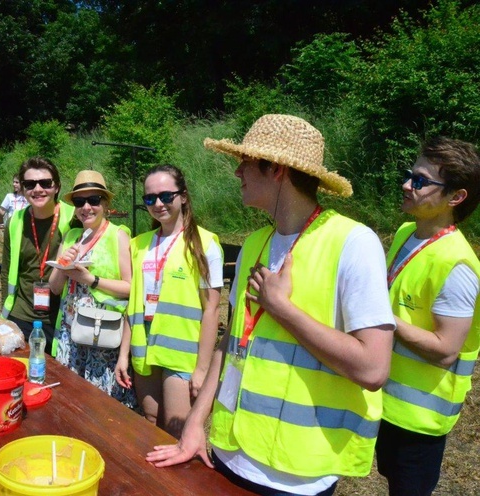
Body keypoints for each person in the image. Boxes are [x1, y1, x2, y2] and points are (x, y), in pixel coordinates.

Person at [146, 114, 396, 496]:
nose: (237, 172)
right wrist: (196, 423)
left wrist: (284, 309)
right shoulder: (254, 244)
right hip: (229, 454)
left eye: (246, 162)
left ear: (276, 169)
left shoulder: (354, 243)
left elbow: (374, 368)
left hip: (296, 476)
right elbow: (232, 344)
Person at [376, 137, 480, 496]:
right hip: (384, 402)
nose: (407, 185)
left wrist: (382, 318)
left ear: (456, 197)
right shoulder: (407, 233)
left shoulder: (458, 265)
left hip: (419, 422)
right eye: (409, 175)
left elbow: (446, 349)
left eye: (420, 181)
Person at [115, 164, 223, 437]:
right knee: (151, 421)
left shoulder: (205, 243)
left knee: (177, 430)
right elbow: (133, 305)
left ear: (183, 196)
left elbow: (211, 310)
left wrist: (202, 368)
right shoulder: (138, 244)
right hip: (144, 350)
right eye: (150, 198)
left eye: (166, 196)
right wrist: (123, 355)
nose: (158, 204)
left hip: (181, 354)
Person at [49, 170, 136, 408]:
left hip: (102, 332)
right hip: (71, 331)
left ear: (105, 203)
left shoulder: (117, 235)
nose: (86, 207)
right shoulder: (71, 236)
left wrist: (91, 279)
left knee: (99, 403)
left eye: (93, 200)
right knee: (70, 400)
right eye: (79, 202)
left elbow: (130, 288)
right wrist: (63, 266)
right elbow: (55, 289)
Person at [1, 157, 75, 354]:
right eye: (30, 184)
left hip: (61, 317)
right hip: (21, 314)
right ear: (22, 189)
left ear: (57, 187)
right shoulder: (15, 220)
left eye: (45, 183)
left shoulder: (74, 218)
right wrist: (4, 315)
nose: (38, 189)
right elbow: (6, 269)